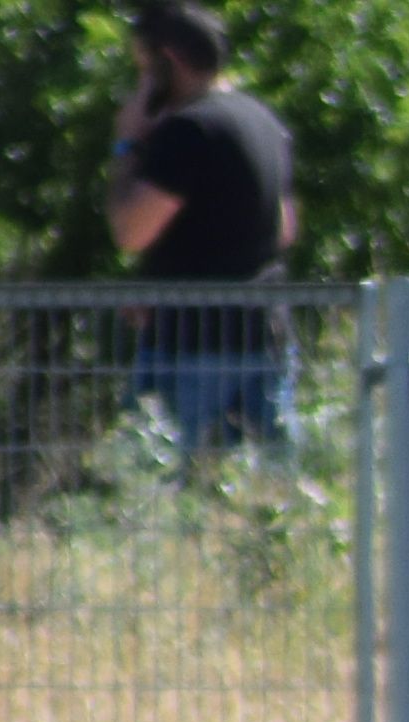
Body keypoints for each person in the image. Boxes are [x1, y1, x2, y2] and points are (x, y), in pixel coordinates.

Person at [102, 3, 300, 464]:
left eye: (145, 70)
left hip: (193, 345)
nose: (141, 85)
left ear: (169, 61)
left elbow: (130, 231)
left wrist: (127, 144)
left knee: (155, 485)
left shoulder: (190, 130)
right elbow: (284, 229)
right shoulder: (262, 121)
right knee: (270, 493)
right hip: (265, 334)